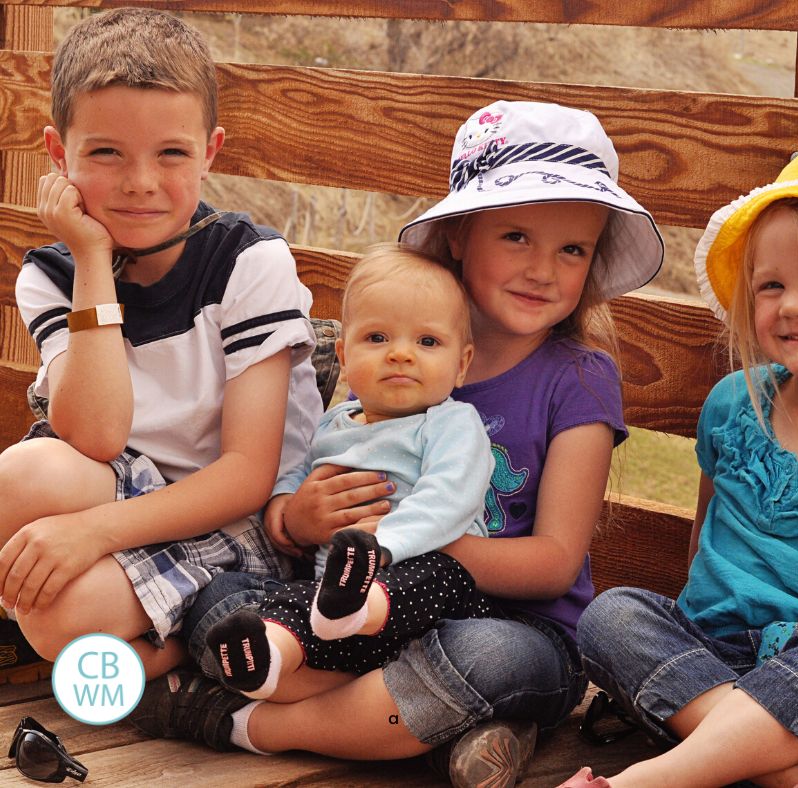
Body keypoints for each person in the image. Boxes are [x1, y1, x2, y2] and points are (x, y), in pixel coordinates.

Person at [129, 99, 664, 787]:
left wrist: (402, 542)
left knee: (485, 660)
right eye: (518, 237)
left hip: (515, 628)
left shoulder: (578, 380)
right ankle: (438, 727)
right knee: (222, 597)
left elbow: (555, 566)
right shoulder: (400, 347)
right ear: (462, 237)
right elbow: (319, 464)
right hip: (358, 618)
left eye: (573, 249)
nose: (544, 269)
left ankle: (246, 724)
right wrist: (297, 519)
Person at [562, 139, 798, 788]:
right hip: (707, 662)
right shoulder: (734, 406)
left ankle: (649, 780)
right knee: (611, 614)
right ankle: (783, 775)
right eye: (772, 285)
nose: (793, 304)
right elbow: (700, 550)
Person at [0, 8, 319, 679]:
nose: (140, 182)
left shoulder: (248, 263)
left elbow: (247, 475)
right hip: (124, 487)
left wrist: (89, 534)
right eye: (106, 152)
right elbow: (95, 434)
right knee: (20, 477)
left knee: (58, 618)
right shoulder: (54, 273)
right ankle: (161, 632)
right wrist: (91, 259)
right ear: (60, 155)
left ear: (211, 151)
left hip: (239, 530)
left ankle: (194, 643)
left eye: (170, 153)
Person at [205, 245, 497, 697]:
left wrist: (382, 548)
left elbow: (449, 498)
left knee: (444, 571)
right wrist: (285, 510)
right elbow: (296, 473)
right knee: (242, 590)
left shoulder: (451, 423)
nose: (400, 354)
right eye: (378, 338)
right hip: (331, 600)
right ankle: (268, 658)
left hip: (427, 605)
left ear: (461, 364)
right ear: (343, 355)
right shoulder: (333, 423)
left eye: (427, 342)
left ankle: (350, 614)